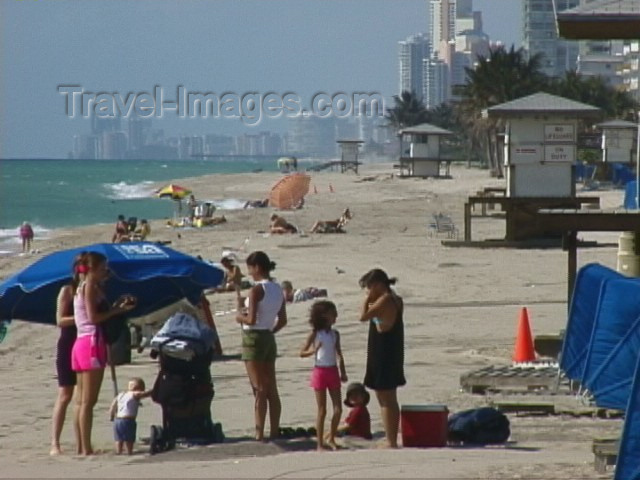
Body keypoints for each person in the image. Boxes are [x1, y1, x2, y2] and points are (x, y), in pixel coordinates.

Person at [72, 251, 137, 455]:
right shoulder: (90, 286)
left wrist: (115, 306)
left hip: (81, 342)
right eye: (102, 269)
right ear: (91, 269)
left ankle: (82, 446)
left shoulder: (81, 286)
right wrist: (117, 311)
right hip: (92, 342)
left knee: (81, 401)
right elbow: (93, 317)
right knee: (88, 402)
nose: (105, 272)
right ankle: (86, 447)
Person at [236, 251, 287, 441]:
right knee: (271, 386)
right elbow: (282, 320)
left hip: (253, 338)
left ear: (257, 267)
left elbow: (250, 319)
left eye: (250, 268)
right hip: (267, 336)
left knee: (258, 388)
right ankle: (274, 430)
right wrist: (269, 331)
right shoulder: (277, 288)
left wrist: (238, 315)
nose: (249, 272)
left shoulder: (257, 289)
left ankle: (259, 433)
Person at [358, 268, 405, 448]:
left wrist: (367, 300)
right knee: (389, 397)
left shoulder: (384, 300)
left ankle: (391, 440)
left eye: (369, 287)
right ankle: (390, 438)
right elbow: (382, 323)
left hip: (384, 351)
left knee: (385, 397)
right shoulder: (396, 299)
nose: (368, 290)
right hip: (391, 349)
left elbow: (363, 317)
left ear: (377, 285)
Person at [299, 300, 348, 450]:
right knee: (322, 410)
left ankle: (331, 437)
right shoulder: (315, 334)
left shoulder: (335, 334)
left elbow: (338, 353)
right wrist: (314, 351)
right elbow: (302, 352)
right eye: (333, 314)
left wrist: (343, 370)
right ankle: (319, 443)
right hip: (320, 371)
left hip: (333, 370)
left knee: (338, 408)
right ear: (324, 315)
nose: (336, 317)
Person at [50, 254, 83, 456]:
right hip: (68, 343)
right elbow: (60, 320)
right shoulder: (67, 291)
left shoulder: (93, 290)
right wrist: (82, 317)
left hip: (86, 342)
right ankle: (55, 442)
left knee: (82, 396)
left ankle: (81, 442)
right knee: (65, 394)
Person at [109, 377, 152, 455]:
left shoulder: (121, 395)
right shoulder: (134, 394)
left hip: (117, 420)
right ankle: (129, 451)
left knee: (119, 438)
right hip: (128, 420)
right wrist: (152, 391)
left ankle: (119, 451)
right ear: (138, 389)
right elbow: (144, 394)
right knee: (129, 438)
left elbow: (113, 405)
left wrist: (111, 415)